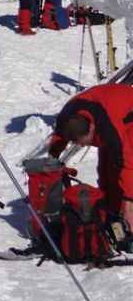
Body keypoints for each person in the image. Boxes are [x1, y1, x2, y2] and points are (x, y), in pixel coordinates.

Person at [49, 84, 133, 232]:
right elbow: (59, 137)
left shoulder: (108, 127)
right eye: (76, 142)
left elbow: (126, 164)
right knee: (104, 172)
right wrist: (53, 157)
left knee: (119, 172)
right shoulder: (65, 119)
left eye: (84, 141)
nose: (81, 145)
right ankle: (109, 214)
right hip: (108, 106)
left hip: (129, 115)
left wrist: (129, 203)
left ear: (92, 128)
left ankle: (125, 219)